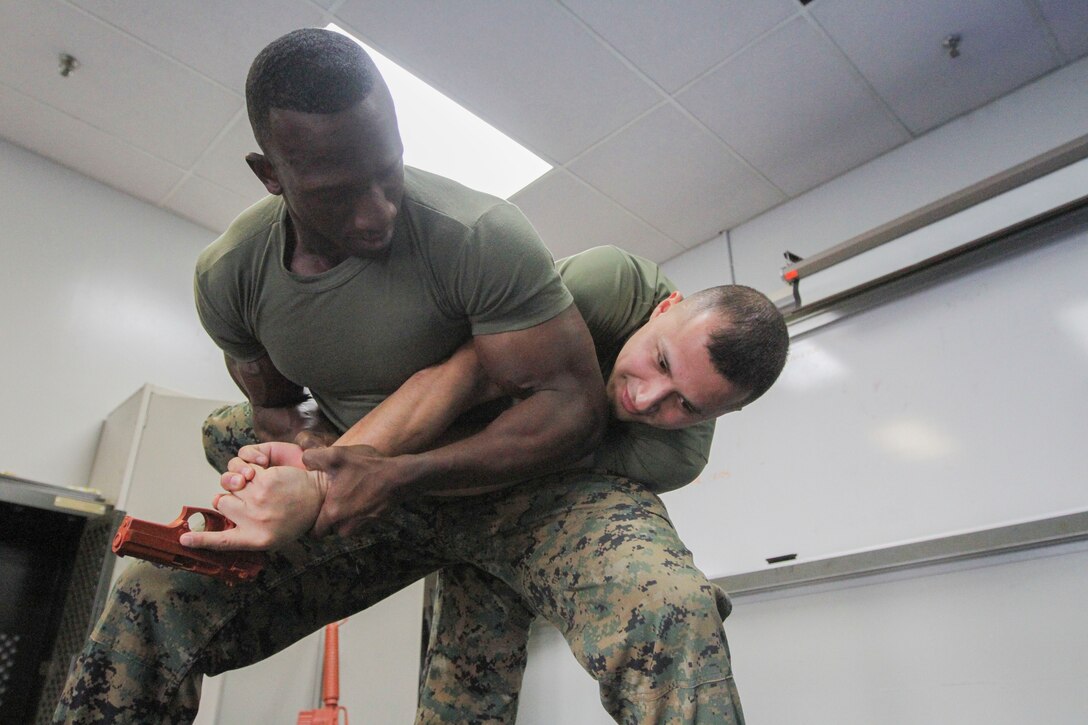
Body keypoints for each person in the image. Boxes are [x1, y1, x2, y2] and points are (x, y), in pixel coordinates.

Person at [53, 29, 784, 725]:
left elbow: (564, 412)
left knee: (667, 609)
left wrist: (346, 478)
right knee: (152, 595)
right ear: (272, 175)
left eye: (389, 171)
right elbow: (286, 406)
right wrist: (300, 466)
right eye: (340, 190)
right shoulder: (232, 277)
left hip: (527, 491)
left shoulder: (481, 237)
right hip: (380, 480)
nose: (377, 213)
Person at [194, 244, 787, 723]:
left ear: (720, 416)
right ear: (664, 309)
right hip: (424, 426)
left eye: (685, 403)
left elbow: (524, 476)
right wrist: (327, 471)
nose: (644, 398)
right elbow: (465, 373)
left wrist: (360, 483)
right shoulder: (611, 284)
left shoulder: (673, 459)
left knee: (470, 695)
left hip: (508, 498)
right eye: (660, 362)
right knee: (227, 431)